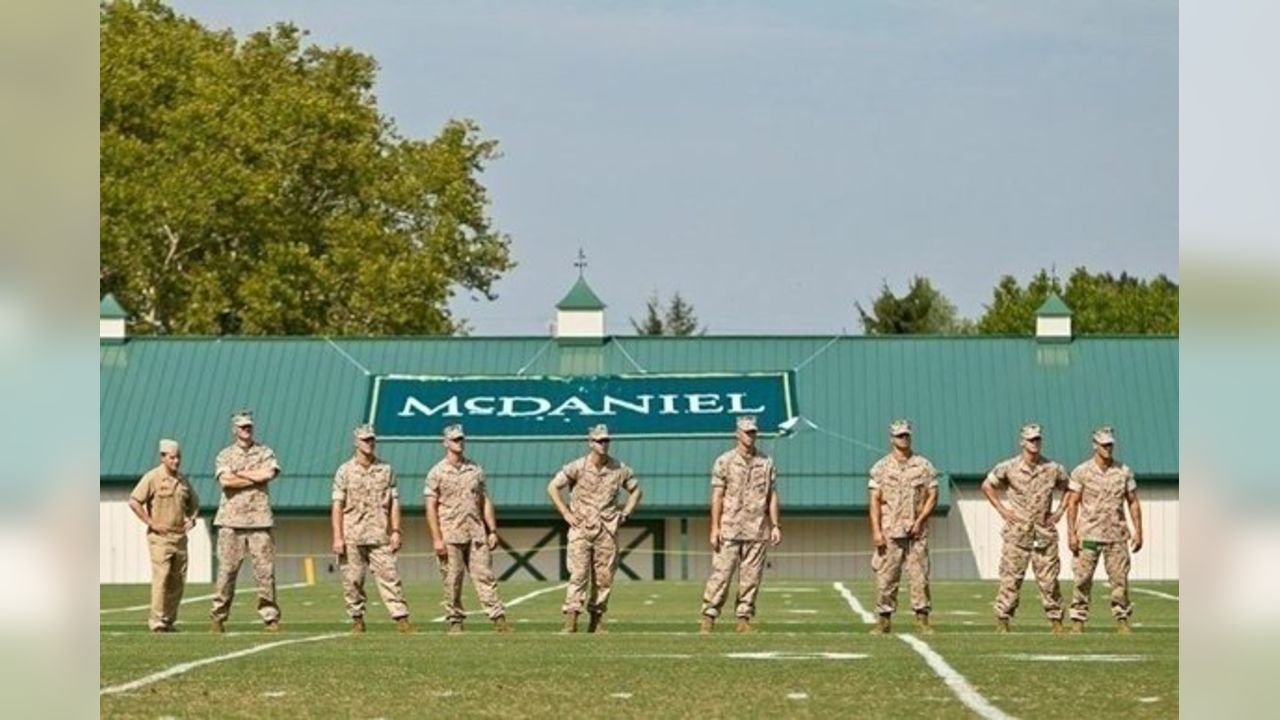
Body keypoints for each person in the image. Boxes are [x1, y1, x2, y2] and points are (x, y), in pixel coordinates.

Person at [547, 424, 643, 634]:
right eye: (599, 440)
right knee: (578, 574)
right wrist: (566, 513)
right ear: (590, 443)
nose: (604, 444)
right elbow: (553, 487)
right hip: (581, 528)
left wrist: (625, 513)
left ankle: (597, 620)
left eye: (606, 440)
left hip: (607, 529)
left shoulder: (619, 469)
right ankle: (571, 620)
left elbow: (636, 490)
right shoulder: (577, 467)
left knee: (604, 577)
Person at [981, 424, 1070, 633]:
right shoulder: (1009, 467)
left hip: (1043, 532)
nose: (1035, 443)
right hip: (1018, 532)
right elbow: (987, 485)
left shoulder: (1053, 468)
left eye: (1037, 439)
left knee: (1049, 580)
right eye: (1031, 440)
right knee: (1011, 579)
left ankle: (1056, 621)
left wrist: (1059, 511)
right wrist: (1002, 509)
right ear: (1022, 442)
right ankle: (1003, 620)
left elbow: (1070, 489)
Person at [699, 415, 781, 634]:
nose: (750, 436)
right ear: (737, 433)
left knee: (751, 576)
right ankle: (709, 616)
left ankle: (743, 618)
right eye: (746, 432)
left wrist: (775, 525)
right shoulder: (724, 461)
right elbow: (717, 496)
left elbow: (772, 495)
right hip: (729, 528)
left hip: (757, 528)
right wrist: (714, 527)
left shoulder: (766, 462)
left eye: (753, 432)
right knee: (721, 574)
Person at [425, 424, 510, 633]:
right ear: (445, 442)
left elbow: (484, 500)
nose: (459, 442)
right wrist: (436, 538)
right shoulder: (436, 472)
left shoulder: (475, 469)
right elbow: (430, 507)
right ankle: (455, 620)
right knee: (452, 579)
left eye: (461, 438)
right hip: (450, 533)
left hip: (476, 532)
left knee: (485, 576)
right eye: (454, 439)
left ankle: (498, 619)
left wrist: (492, 529)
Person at [332, 423, 411, 634]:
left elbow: (394, 502)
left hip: (379, 534)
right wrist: (338, 537)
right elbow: (337, 505)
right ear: (355, 442)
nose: (370, 443)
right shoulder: (345, 471)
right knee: (353, 580)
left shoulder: (386, 470)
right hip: (352, 535)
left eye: (372, 439)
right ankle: (357, 618)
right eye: (365, 440)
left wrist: (396, 530)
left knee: (390, 577)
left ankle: (401, 619)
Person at [1065, 426, 1144, 634]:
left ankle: (1122, 618)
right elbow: (1072, 502)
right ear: (1095, 445)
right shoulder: (1081, 471)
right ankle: (1078, 620)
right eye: (1104, 445)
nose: (1108, 448)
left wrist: (1138, 531)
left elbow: (1133, 501)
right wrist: (1071, 533)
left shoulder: (1123, 471)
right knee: (1082, 578)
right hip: (1089, 533)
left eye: (1110, 444)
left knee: (1119, 580)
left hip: (1116, 535)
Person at [210, 410, 282, 633]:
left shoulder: (265, 452)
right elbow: (226, 482)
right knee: (226, 572)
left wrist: (241, 474)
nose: (246, 430)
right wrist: (253, 476)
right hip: (231, 522)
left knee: (265, 572)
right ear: (234, 429)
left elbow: (268, 474)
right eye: (242, 427)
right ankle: (218, 616)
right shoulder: (224, 455)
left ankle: (270, 617)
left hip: (259, 521)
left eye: (249, 426)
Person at [867, 419, 938, 635]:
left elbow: (932, 495)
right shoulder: (880, 468)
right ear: (892, 439)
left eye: (906, 435)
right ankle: (884, 619)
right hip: (890, 531)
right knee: (886, 577)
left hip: (916, 531)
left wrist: (920, 521)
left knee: (920, 576)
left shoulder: (923, 466)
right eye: (899, 436)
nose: (903, 439)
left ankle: (922, 619)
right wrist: (877, 531)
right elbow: (874, 502)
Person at [127, 438, 199, 632]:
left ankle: (169, 620)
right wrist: (150, 522)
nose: (176, 462)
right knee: (162, 578)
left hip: (180, 538)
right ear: (163, 457)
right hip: (160, 538)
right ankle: (157, 621)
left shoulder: (183, 480)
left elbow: (195, 505)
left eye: (178, 458)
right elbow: (134, 501)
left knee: (178, 581)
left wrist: (192, 519)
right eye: (172, 458)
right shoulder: (152, 478)